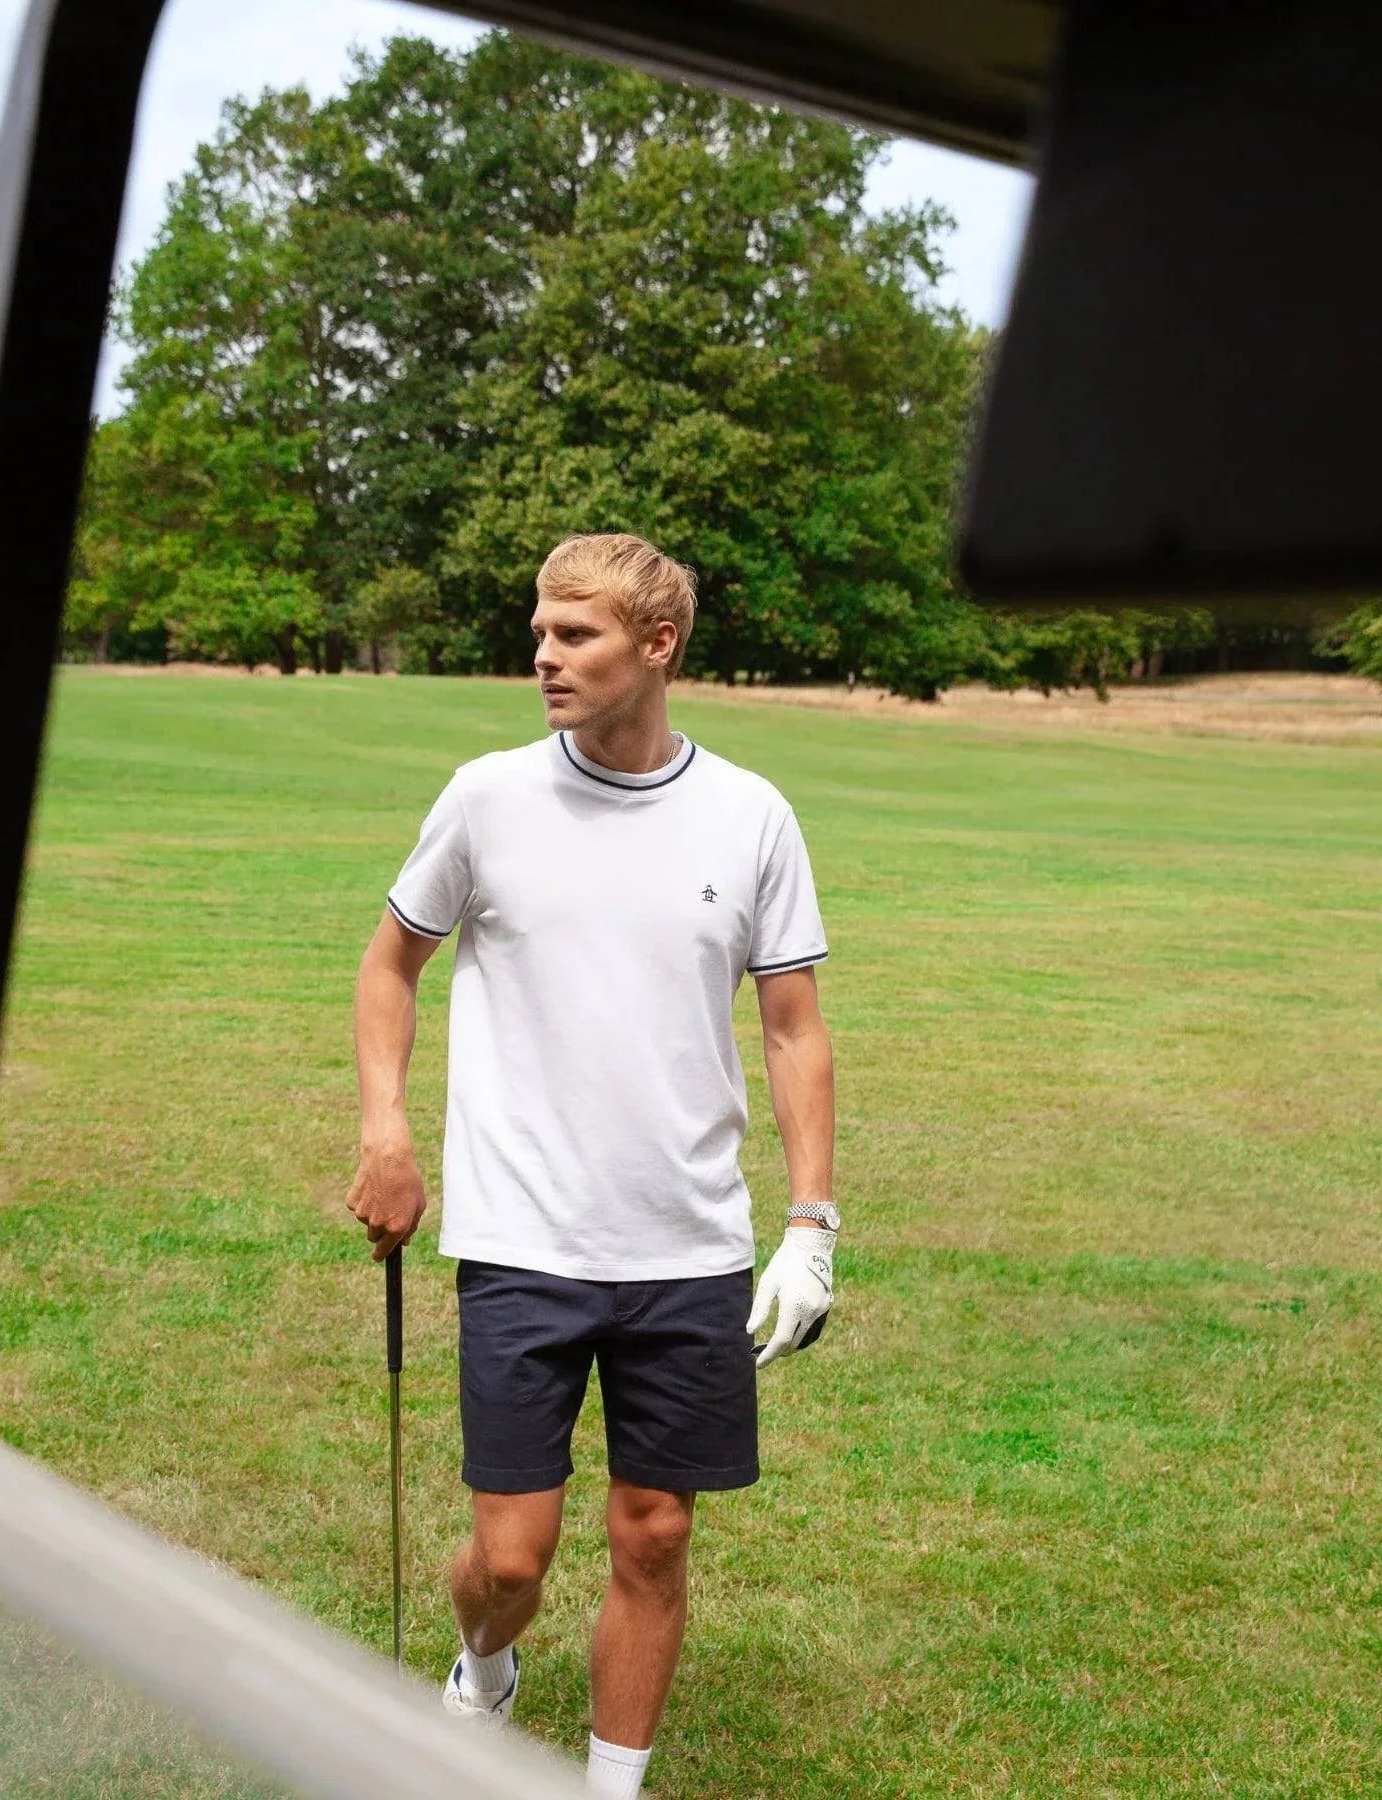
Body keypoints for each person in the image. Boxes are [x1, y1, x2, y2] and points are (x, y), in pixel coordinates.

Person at [346, 533, 837, 1799]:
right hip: (523, 1237)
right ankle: (484, 1660)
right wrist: (387, 1131)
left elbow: (793, 1025)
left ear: (657, 647)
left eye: (576, 636)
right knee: (512, 1559)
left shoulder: (752, 814)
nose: (544, 656)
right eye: (541, 631)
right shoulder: (486, 796)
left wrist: (811, 1223)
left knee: (655, 1533)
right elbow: (391, 963)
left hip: (687, 1243)